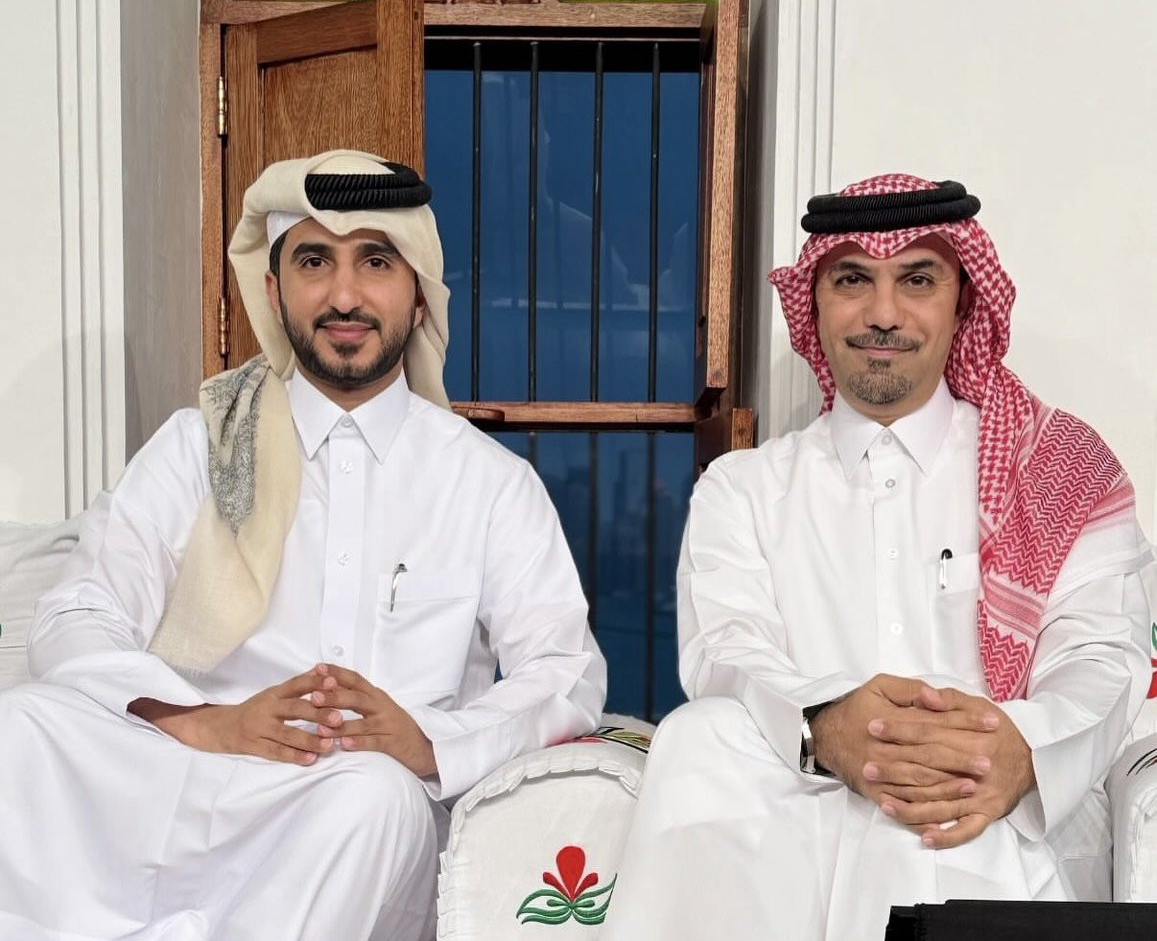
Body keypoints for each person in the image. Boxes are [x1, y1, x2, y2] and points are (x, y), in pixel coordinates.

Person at [0, 150, 606, 941]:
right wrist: (202, 720)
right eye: (314, 261)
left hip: (348, 813)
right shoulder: (197, 446)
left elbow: (565, 670)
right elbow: (78, 609)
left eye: (375, 262)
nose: (344, 296)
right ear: (272, 288)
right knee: (26, 723)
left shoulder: (487, 483)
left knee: (373, 796)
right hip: (191, 774)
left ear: (419, 292)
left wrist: (429, 741)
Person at [603, 174, 1149, 941]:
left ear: (962, 303)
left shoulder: (1055, 468)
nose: (883, 314)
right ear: (813, 302)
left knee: (919, 830)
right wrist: (825, 725)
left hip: (986, 814)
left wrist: (1017, 751)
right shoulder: (743, 488)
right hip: (794, 799)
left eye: (917, 280)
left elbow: (1099, 653)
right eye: (852, 280)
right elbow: (727, 651)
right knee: (702, 736)